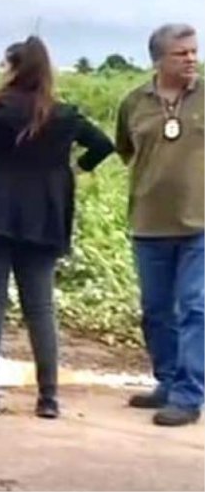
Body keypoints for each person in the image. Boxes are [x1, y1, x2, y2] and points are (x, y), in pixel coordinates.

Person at [0, 36, 115, 419]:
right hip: (42, 217)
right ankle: (48, 399)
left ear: (14, 68)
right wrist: (69, 175)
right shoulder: (63, 114)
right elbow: (103, 145)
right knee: (41, 308)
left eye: (5, 64)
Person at [115, 23, 203, 427]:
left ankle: (189, 395)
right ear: (158, 59)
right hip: (149, 224)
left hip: (200, 223)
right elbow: (126, 151)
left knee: (195, 308)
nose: (190, 59)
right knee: (155, 311)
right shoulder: (134, 102)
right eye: (180, 53)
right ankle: (167, 382)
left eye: (193, 51)